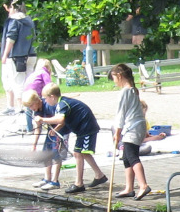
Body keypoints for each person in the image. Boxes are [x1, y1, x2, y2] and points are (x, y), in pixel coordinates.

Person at [32, 83, 108, 194]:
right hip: (82, 129)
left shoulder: (62, 104)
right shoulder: (61, 103)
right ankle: (99, 175)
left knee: (78, 153)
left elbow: (59, 119)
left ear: (52, 96)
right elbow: (62, 121)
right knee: (84, 153)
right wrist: (55, 130)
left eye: (46, 98)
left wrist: (42, 119)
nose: (45, 101)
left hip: (86, 128)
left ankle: (79, 184)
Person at [111, 63, 151, 200]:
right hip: (137, 126)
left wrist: (117, 133)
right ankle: (129, 188)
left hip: (132, 128)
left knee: (132, 156)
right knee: (126, 158)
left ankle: (143, 185)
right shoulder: (133, 90)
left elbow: (120, 114)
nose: (114, 81)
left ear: (119, 76)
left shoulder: (125, 92)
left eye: (114, 78)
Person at [21, 89, 65, 190]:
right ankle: (47, 178)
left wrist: (55, 129)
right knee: (46, 153)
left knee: (56, 154)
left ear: (37, 101)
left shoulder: (50, 105)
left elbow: (62, 120)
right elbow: (38, 128)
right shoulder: (36, 112)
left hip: (60, 131)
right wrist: (34, 144)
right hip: (51, 132)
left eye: (31, 105)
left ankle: (55, 181)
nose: (31, 108)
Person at [0, 0, 37, 114]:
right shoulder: (29, 20)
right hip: (31, 54)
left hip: (17, 56)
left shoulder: (14, 21)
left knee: (18, 83)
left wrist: (5, 54)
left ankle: (22, 108)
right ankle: (28, 107)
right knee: (28, 82)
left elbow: (11, 39)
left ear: (13, 8)